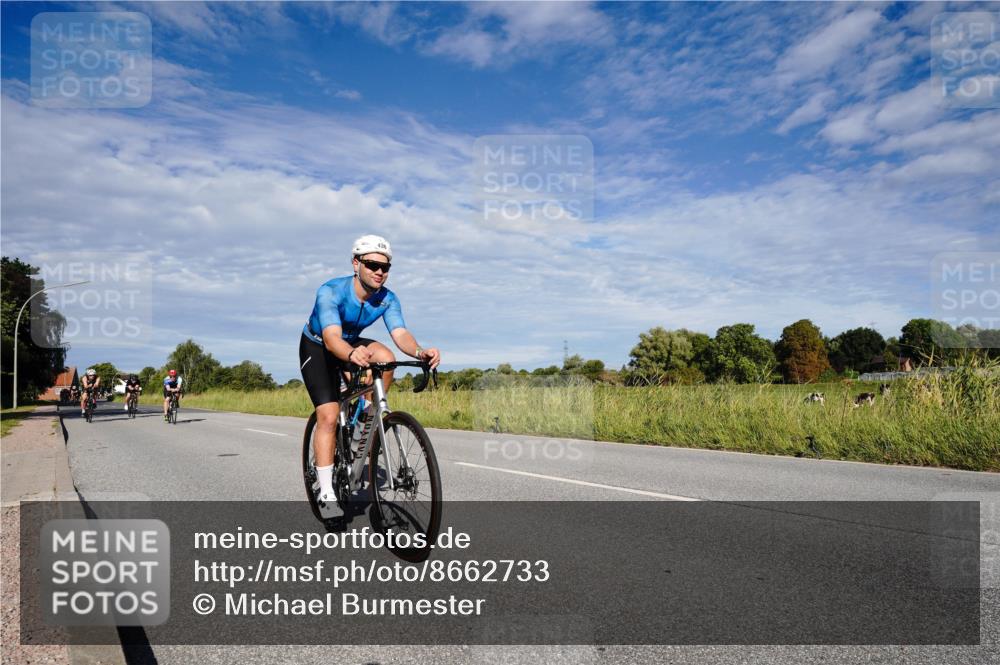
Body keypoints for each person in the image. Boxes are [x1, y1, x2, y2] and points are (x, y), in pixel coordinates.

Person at [300, 235, 440, 506]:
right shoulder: (330, 292)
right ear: (356, 263)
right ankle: (327, 491)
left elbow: (400, 334)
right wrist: (351, 354)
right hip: (318, 345)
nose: (379, 272)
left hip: (351, 342)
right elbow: (331, 339)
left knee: (386, 357)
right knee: (328, 416)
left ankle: (366, 414)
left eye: (385, 268)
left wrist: (420, 352)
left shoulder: (388, 298)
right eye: (372, 265)